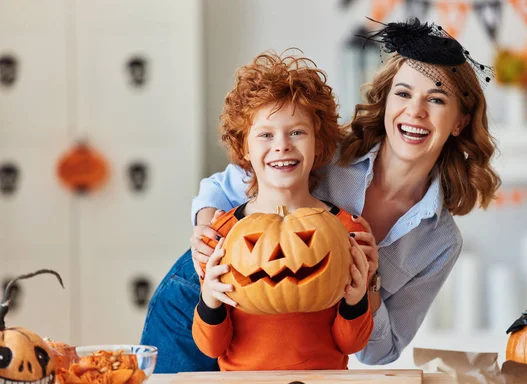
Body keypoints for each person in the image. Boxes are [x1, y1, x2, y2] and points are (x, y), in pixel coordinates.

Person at [186, 18, 501, 365]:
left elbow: (378, 351)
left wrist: (365, 287)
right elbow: (225, 184)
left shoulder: (439, 241)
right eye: (404, 93)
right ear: (386, 100)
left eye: (437, 99)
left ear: (460, 121)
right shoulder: (325, 152)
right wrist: (206, 234)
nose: (415, 111)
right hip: (206, 288)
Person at [141, 50, 373, 372]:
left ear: (318, 143)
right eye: (265, 134)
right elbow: (211, 346)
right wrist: (209, 297)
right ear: (244, 148)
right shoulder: (222, 234)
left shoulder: (347, 229)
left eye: (297, 132)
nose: (282, 145)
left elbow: (352, 344)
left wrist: (357, 297)